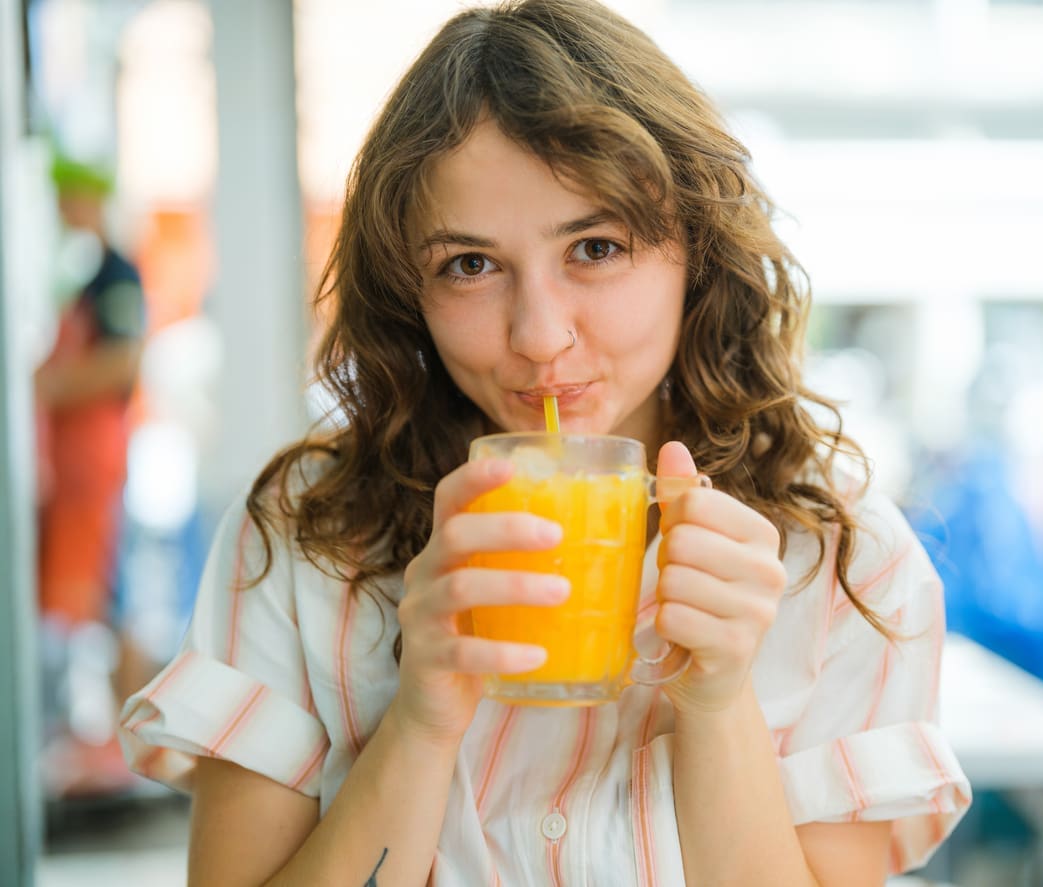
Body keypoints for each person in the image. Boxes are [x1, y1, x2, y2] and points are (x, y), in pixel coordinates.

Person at [119, 1, 970, 883]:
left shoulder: (843, 562)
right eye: (470, 265)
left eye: (595, 247)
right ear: (408, 289)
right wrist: (419, 722)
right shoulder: (301, 542)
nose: (538, 335)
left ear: (698, 250)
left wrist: (717, 705)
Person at [37, 153, 147, 795]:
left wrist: (44, 386)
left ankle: (126, 744)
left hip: (98, 466)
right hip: (78, 468)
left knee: (113, 597)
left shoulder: (114, 275)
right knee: (101, 600)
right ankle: (111, 740)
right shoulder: (86, 279)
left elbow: (120, 365)